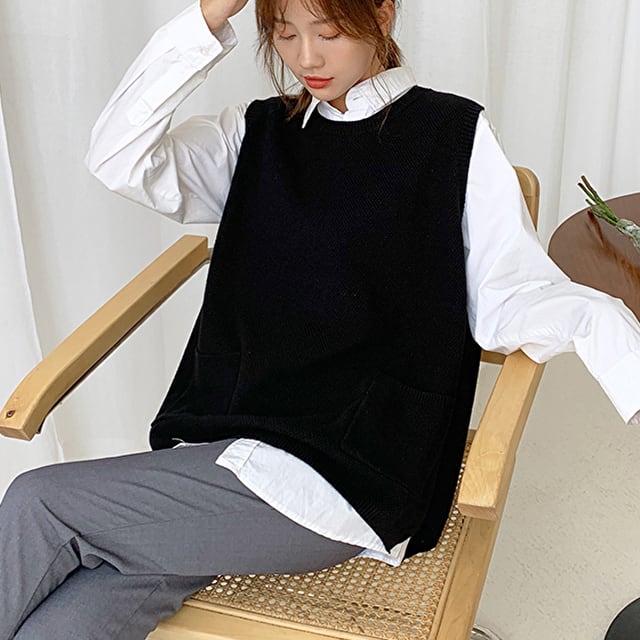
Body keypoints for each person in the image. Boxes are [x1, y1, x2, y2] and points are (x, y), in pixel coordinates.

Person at [2, 0, 640, 637]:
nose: (306, 58)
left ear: (382, 16)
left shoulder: (451, 136)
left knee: (39, 502)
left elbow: (512, 293)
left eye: (329, 33)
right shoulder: (256, 135)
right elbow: (119, 158)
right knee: (71, 618)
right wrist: (207, 19)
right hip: (220, 452)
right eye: (285, 35)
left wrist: (608, 329)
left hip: (339, 474)